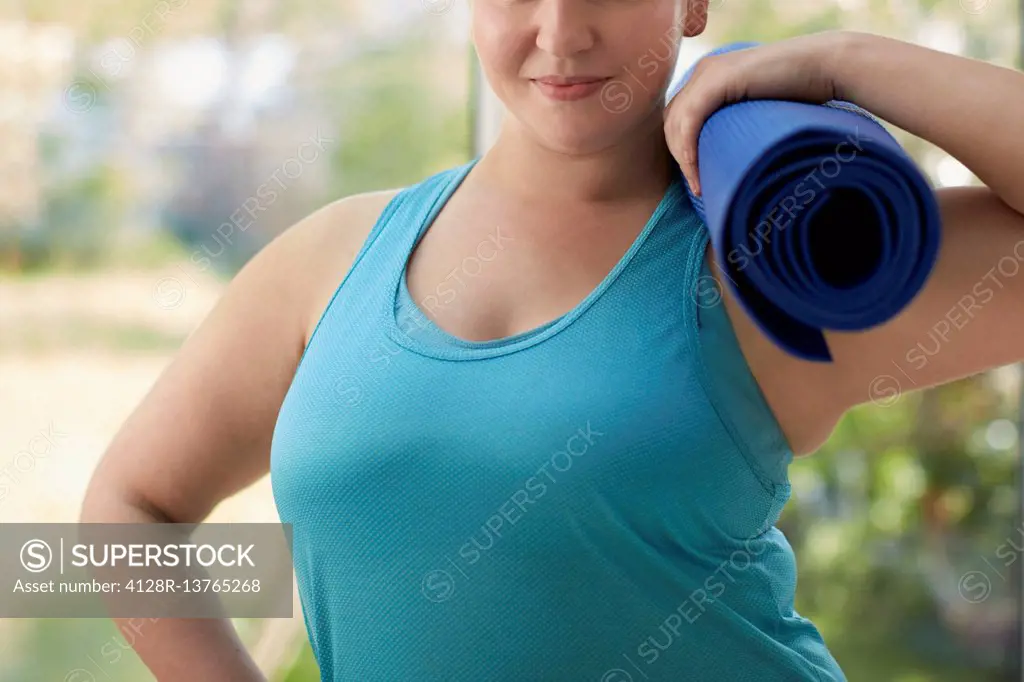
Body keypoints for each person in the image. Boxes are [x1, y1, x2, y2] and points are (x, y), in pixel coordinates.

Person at [80, 0, 1024, 680]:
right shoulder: (329, 260)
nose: (562, 29)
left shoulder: (775, 261)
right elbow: (121, 518)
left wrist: (849, 61)